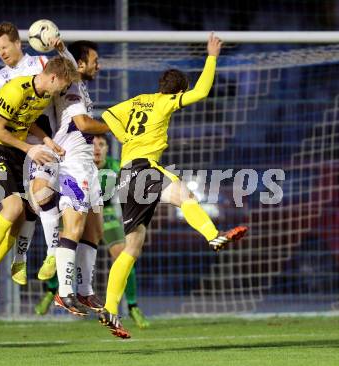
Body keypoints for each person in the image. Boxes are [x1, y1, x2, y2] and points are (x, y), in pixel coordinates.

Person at [98, 33, 248, 338]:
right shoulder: (167, 102)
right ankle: (212, 235)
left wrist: (124, 137)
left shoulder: (140, 100)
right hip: (144, 169)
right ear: (178, 91)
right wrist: (212, 56)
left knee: (132, 247)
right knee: (185, 194)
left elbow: (107, 114)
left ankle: (110, 309)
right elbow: (204, 90)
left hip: (126, 176)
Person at [0, 55, 79, 306]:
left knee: (20, 217)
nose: (62, 90)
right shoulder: (15, 89)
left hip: (12, 151)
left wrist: (46, 140)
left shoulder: (43, 95)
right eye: (62, 85)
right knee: (13, 207)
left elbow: (25, 123)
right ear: (52, 77)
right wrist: (29, 150)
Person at [27, 40, 110, 316]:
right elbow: (83, 124)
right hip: (72, 163)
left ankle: (85, 291)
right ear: (80, 63)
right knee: (73, 226)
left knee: (95, 230)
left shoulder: (80, 86)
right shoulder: (72, 86)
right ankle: (65, 293)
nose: (99, 65)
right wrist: (116, 126)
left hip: (87, 164)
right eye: (94, 59)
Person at [35, 135, 150, 330]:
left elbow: (127, 197)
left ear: (107, 148)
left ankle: (132, 306)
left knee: (125, 255)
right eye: (92, 144)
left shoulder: (116, 168)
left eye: (101, 144)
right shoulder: (77, 165)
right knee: (64, 245)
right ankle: (52, 290)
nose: (96, 148)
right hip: (78, 208)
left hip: (107, 214)